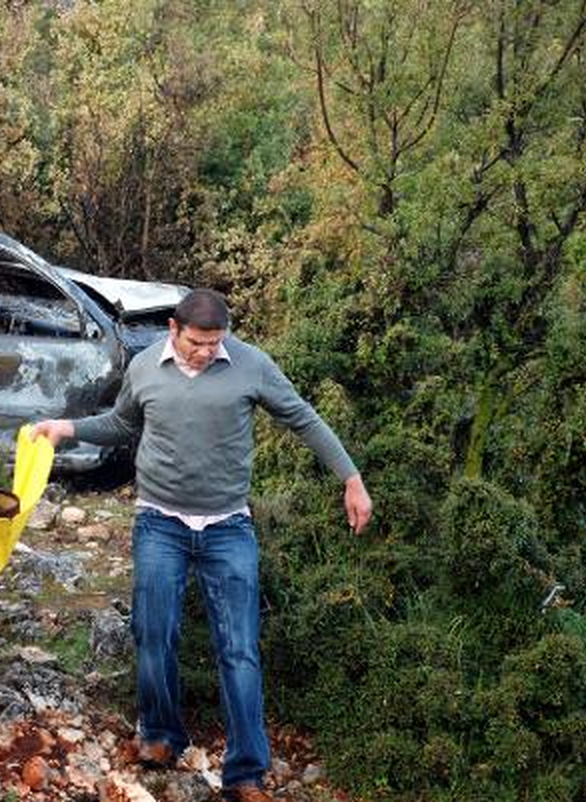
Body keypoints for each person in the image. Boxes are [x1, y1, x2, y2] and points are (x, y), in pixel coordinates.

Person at [32, 289, 372, 802]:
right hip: (159, 522)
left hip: (227, 526)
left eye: (215, 343)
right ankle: (161, 736)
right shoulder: (146, 366)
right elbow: (123, 424)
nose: (206, 352)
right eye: (197, 343)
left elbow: (301, 416)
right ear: (174, 329)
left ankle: (246, 773)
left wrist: (350, 477)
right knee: (153, 633)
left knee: (239, 650)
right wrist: (68, 428)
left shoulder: (251, 365)